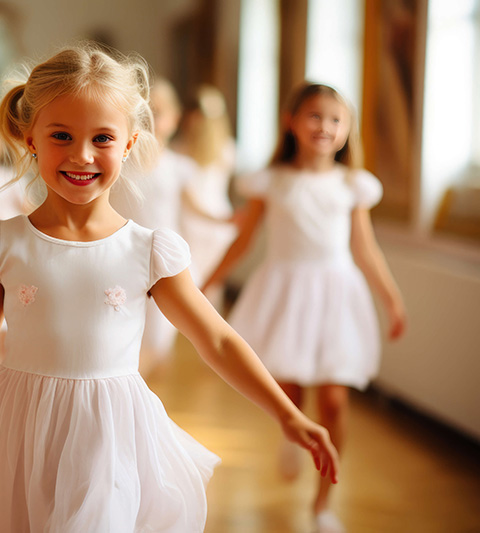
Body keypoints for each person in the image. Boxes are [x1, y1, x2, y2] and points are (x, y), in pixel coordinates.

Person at [0, 44, 339, 533]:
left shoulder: (149, 251)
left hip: (109, 435)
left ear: (130, 144)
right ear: (30, 138)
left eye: (102, 138)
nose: (81, 155)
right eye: (61, 135)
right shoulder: (2, 244)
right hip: (20, 430)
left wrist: (288, 415)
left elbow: (217, 340)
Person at [203, 82, 407, 533]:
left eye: (336, 120)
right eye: (315, 116)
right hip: (286, 292)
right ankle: (291, 434)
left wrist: (391, 299)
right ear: (291, 121)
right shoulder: (271, 181)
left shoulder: (352, 185)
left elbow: (366, 249)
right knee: (290, 393)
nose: (325, 127)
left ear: (347, 129)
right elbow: (244, 239)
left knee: (334, 401)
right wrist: (206, 283)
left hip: (337, 297)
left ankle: (322, 503)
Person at [110, 77, 224, 373]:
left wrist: (226, 220)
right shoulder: (119, 161)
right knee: (121, 331)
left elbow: (195, 206)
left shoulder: (178, 166)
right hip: (120, 253)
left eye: (159, 111)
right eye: (145, 110)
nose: (152, 117)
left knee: (158, 338)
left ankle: (137, 385)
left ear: (174, 120)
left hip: (163, 258)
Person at [175, 85, 238, 310]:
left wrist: (220, 219)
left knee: (213, 285)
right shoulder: (178, 152)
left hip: (216, 224)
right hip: (190, 224)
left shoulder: (226, 150)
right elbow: (187, 199)